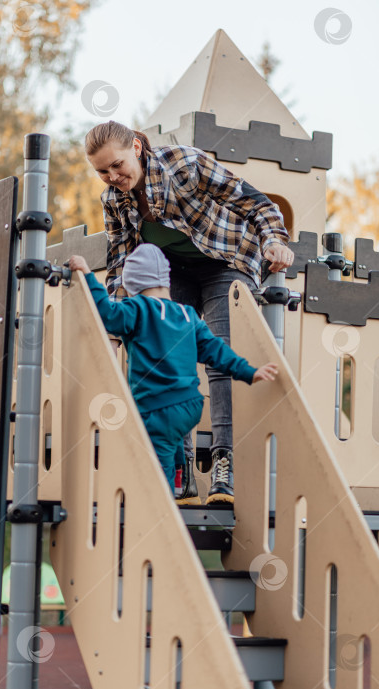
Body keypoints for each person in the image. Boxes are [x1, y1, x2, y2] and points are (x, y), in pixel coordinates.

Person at [84, 120, 293, 505]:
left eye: (117, 165)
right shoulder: (114, 201)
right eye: (102, 171)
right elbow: (120, 261)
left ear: (136, 148)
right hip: (172, 273)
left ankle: (223, 461)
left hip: (224, 262)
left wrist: (275, 240)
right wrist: (115, 323)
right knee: (165, 348)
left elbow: (255, 202)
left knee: (216, 354)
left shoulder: (186, 165)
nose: (113, 176)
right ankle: (179, 471)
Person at [69, 245, 278, 499]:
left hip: (157, 408)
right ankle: (180, 478)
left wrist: (88, 275)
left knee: (158, 461)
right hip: (190, 407)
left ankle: (163, 501)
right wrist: (249, 372)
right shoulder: (188, 315)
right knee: (172, 438)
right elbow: (217, 352)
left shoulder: (137, 310)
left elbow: (107, 314)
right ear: (166, 282)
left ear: (133, 285)